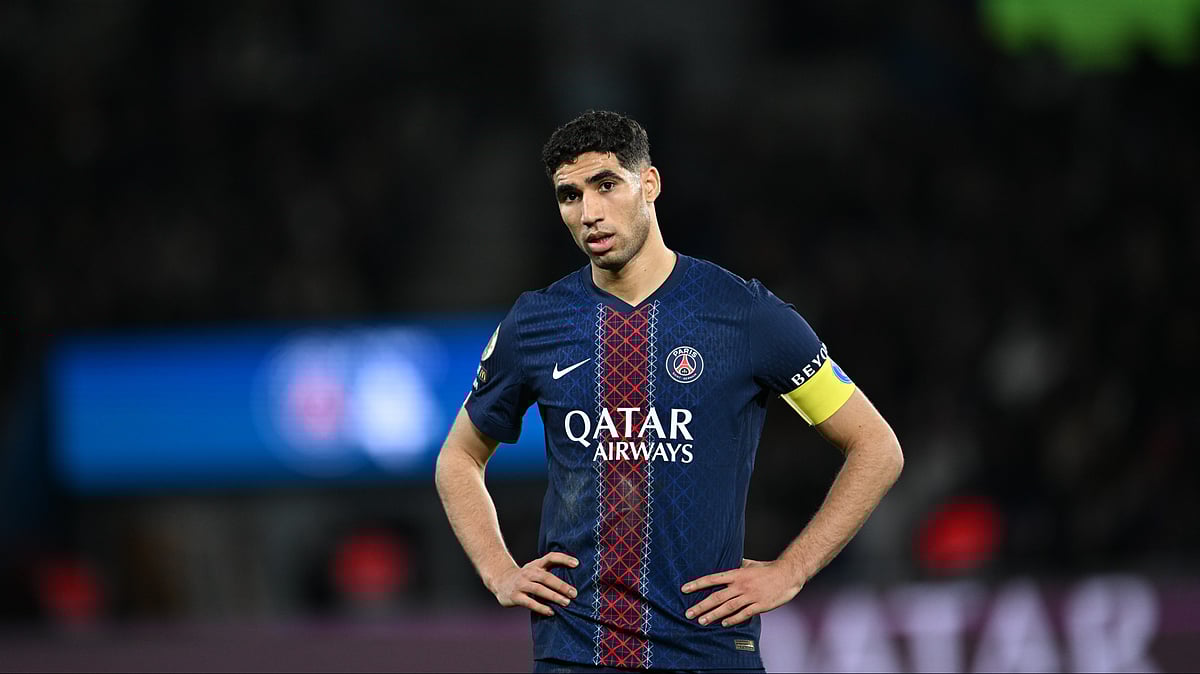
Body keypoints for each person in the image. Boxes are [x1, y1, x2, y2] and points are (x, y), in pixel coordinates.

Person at [435, 110, 904, 673]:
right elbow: (459, 458)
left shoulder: (745, 315)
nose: (589, 212)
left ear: (649, 183)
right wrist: (499, 570)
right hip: (576, 652)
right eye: (569, 196)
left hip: (708, 650)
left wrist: (792, 569)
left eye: (606, 185)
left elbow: (876, 447)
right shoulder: (535, 323)